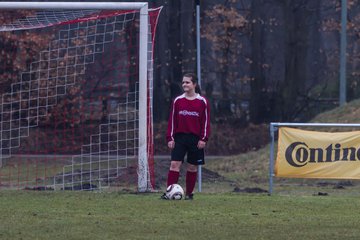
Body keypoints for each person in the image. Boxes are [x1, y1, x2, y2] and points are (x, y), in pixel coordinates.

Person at [161, 73, 211, 200]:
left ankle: (189, 194)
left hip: (195, 139)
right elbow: (172, 121)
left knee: (192, 167)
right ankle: (169, 193)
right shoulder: (178, 101)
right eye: (183, 82)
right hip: (180, 138)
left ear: (194, 84)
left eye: (187, 82)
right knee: (174, 164)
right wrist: (170, 138)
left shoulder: (202, 102)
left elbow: (205, 122)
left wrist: (203, 138)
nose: (184, 84)